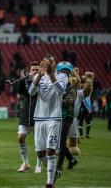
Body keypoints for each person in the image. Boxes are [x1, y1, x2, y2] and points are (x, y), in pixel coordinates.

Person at [28, 56, 68, 188]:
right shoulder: (38, 76)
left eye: (48, 63)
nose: (45, 65)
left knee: (50, 151)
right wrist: (39, 76)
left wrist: (50, 74)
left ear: (54, 64)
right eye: (43, 63)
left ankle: (50, 183)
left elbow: (61, 91)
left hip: (54, 117)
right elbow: (31, 92)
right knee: (40, 153)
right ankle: (55, 171)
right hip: (39, 117)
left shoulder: (62, 76)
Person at [16, 61, 39, 173]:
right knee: (20, 138)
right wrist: (21, 80)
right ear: (30, 71)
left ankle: (38, 165)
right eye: (33, 70)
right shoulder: (25, 80)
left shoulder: (42, 82)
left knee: (38, 143)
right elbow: (21, 92)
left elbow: (33, 93)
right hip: (25, 115)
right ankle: (25, 163)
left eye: (36, 70)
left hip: (37, 116)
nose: (34, 71)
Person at [67, 69, 93, 158]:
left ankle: (69, 157)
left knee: (73, 145)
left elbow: (87, 91)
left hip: (72, 120)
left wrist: (89, 81)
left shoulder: (78, 93)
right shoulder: (61, 91)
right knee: (58, 143)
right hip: (60, 119)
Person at [56, 62, 76, 172]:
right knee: (60, 142)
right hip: (58, 116)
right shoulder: (59, 88)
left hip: (67, 116)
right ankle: (72, 159)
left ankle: (59, 165)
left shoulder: (71, 90)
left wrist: (56, 98)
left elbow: (67, 103)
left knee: (62, 141)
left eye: (65, 73)